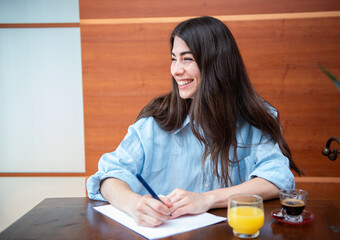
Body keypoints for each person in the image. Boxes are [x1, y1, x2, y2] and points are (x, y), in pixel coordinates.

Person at [87, 16, 302, 227]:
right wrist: (135, 205)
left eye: (187, 59)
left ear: (217, 62)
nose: (175, 70)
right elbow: (108, 177)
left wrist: (207, 199)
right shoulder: (157, 120)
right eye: (174, 58)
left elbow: (277, 178)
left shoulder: (255, 117)